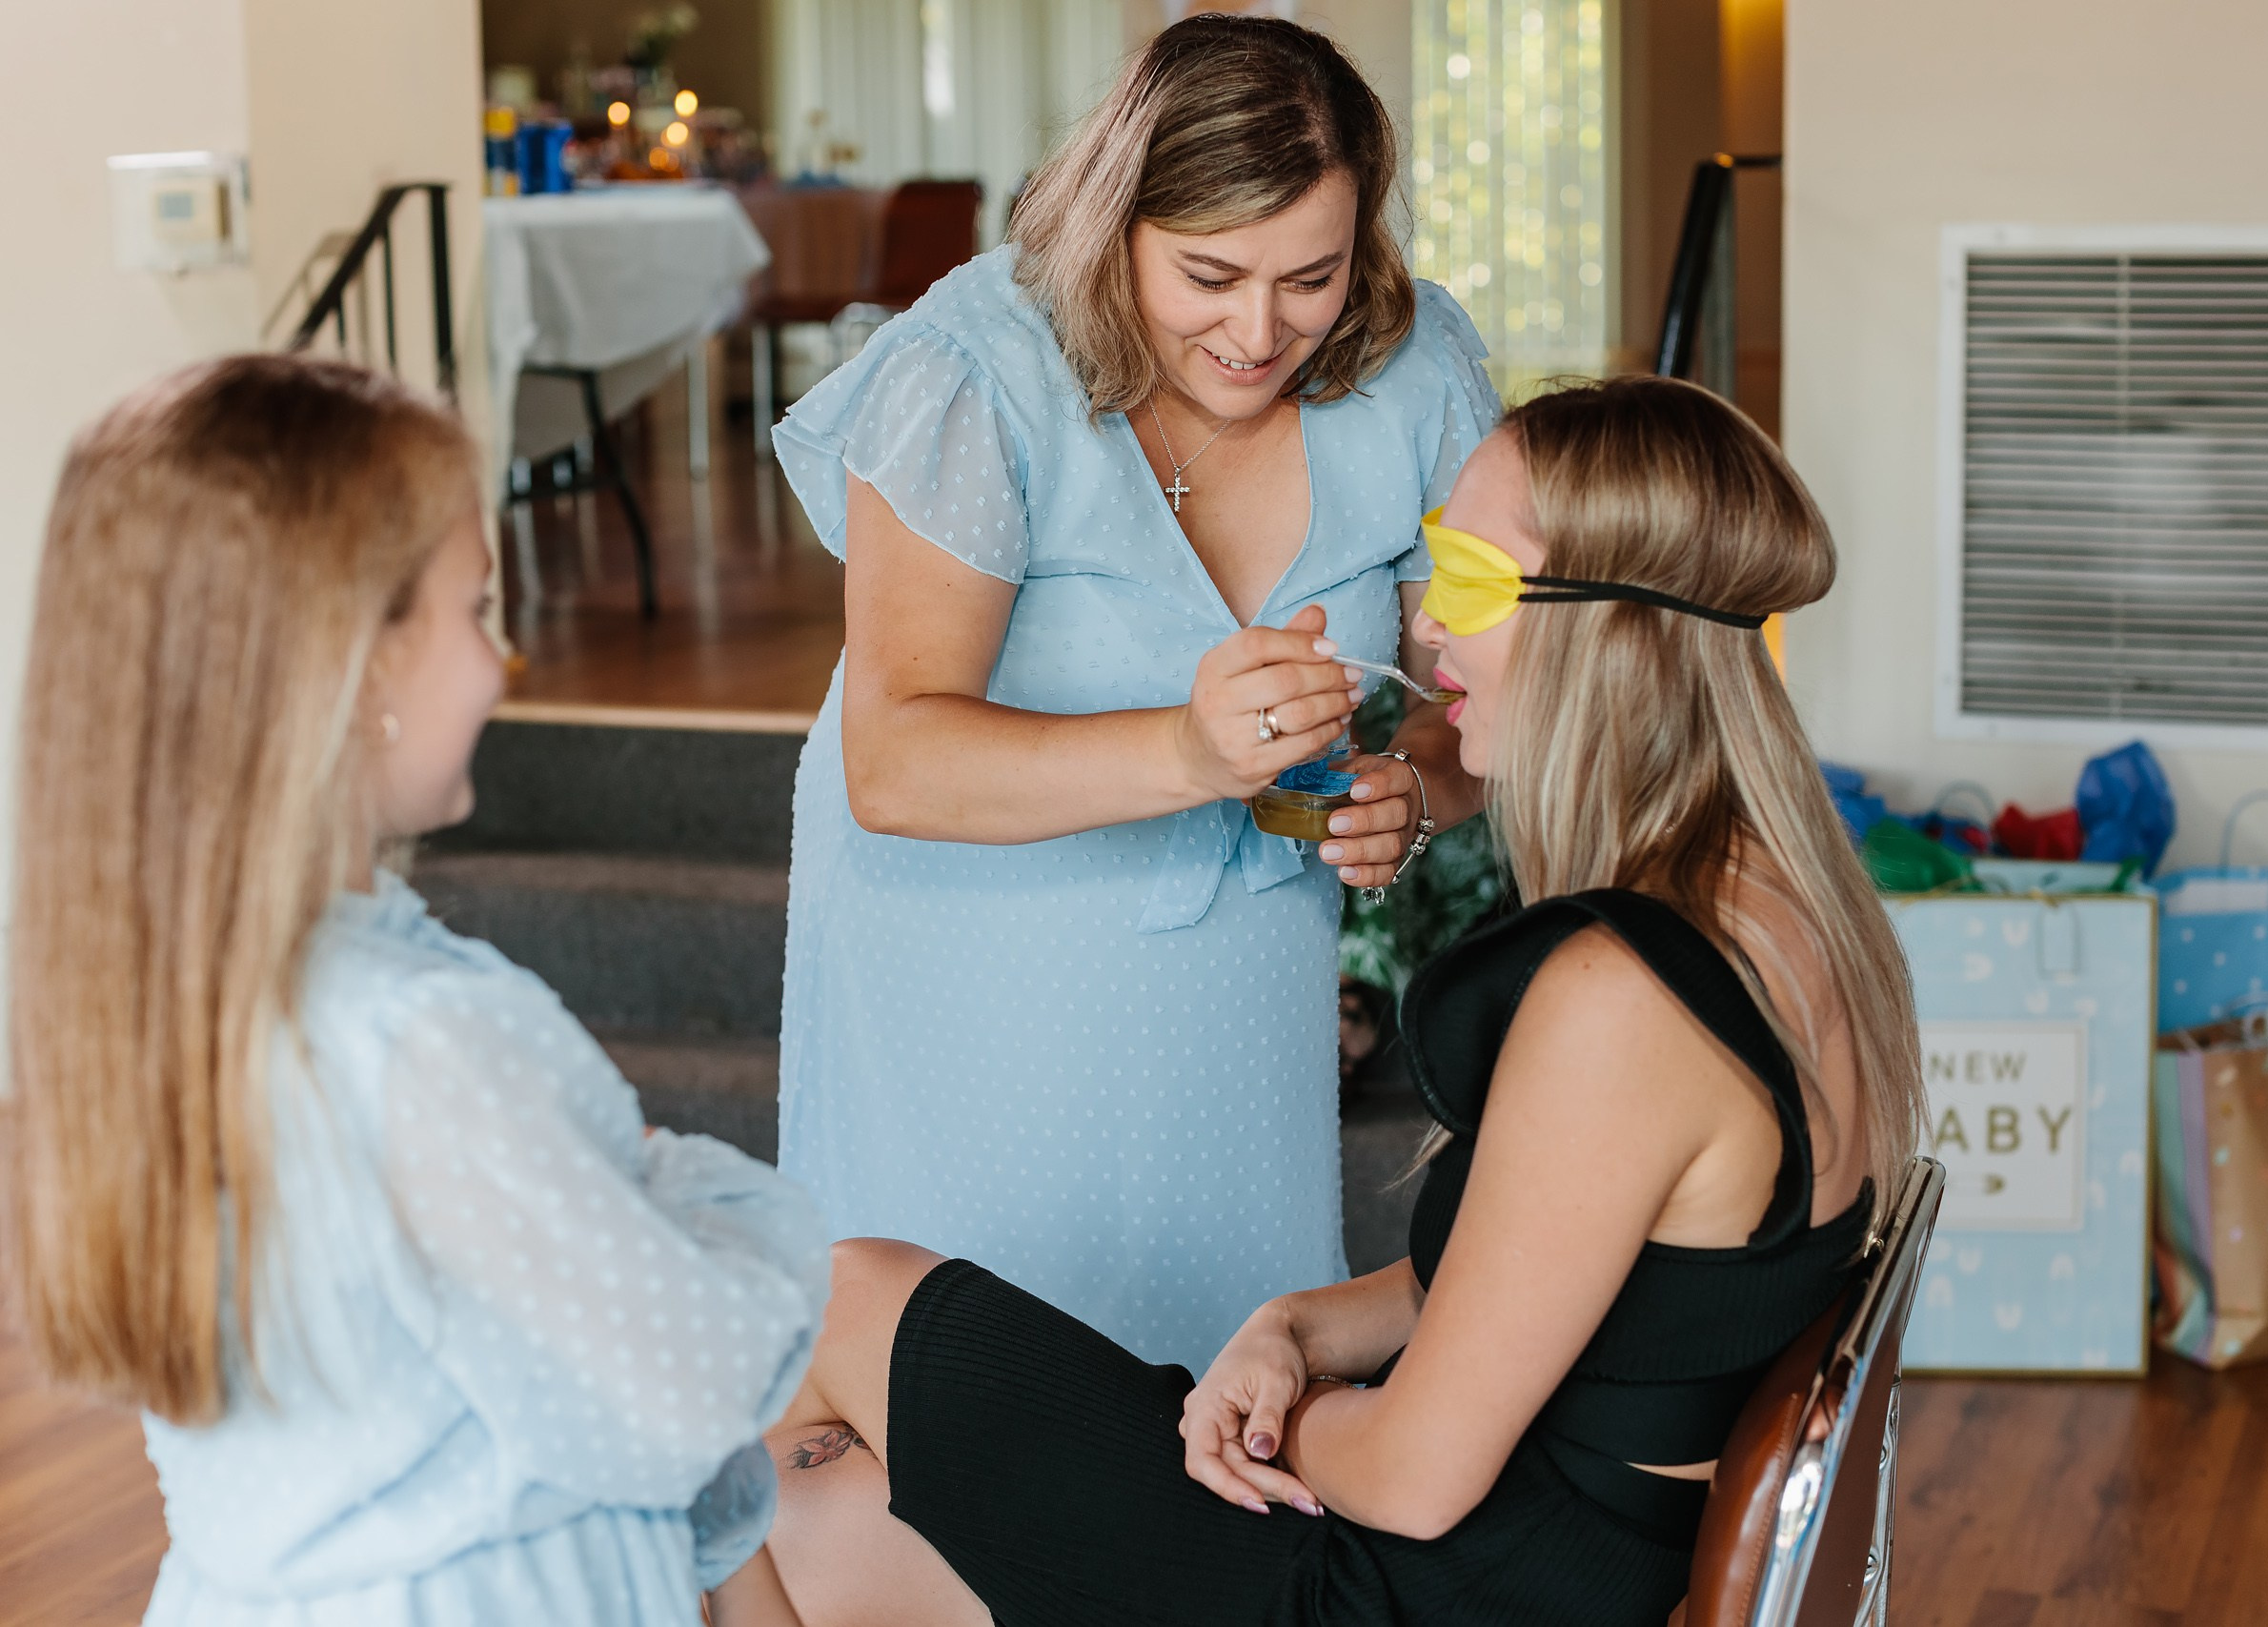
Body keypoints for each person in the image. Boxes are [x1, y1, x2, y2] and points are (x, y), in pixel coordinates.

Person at [757, 376, 1930, 1626]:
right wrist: (1295, 1328)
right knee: (809, 1479)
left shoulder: (1624, 1002)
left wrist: (1285, 1420)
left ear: (1611, 626)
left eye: (1469, 583)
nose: (1428, 639)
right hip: (1524, 1565)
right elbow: (1575, 1279)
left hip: (1413, 1587)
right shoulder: (1790, 920)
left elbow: (1418, 1480)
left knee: (801, 1419)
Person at [4, 355, 820, 1627]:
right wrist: (682, 1188)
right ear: (355, 662)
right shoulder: (416, 1038)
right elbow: (701, 1381)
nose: (506, 663)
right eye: (476, 610)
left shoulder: (175, 1000)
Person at [768, 13, 1499, 1373]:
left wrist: (1421, 791)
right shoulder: (977, 370)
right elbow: (897, 763)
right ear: (1117, 226)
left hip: (1242, 955)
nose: (1259, 329)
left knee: (1213, 1359)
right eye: (1208, 274)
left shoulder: (1415, 366)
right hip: (968, 946)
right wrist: (1186, 746)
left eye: (1311, 276)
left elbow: (1483, 680)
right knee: (975, 1388)